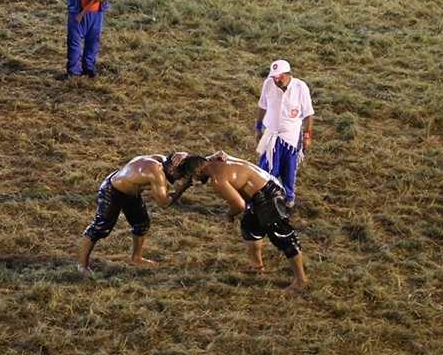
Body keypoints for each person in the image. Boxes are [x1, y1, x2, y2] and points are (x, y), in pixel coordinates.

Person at [177, 152, 307, 296]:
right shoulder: (219, 158)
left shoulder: (217, 179)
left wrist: (229, 215)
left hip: (270, 198)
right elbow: (209, 157)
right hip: (265, 190)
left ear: (198, 171)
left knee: (284, 238)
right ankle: (257, 265)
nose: (194, 180)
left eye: (193, 176)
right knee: (249, 226)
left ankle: (300, 280)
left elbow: (239, 205)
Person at [77, 152, 193, 273]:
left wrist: (185, 154)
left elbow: (181, 159)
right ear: (172, 169)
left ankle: (136, 259)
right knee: (99, 228)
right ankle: (82, 266)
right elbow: (163, 203)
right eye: (180, 175)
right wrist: (183, 188)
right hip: (111, 191)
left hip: (130, 192)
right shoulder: (156, 173)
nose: (180, 178)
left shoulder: (161, 160)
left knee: (141, 224)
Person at [254, 59, 314, 208]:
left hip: (291, 136)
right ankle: (263, 197)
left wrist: (307, 135)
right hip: (272, 134)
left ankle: (288, 198)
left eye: (280, 77)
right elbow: (262, 106)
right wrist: (258, 127)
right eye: (274, 77)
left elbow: (308, 114)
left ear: (288, 74)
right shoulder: (268, 85)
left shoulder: (300, 87)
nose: (277, 81)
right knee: (266, 168)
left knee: (289, 168)